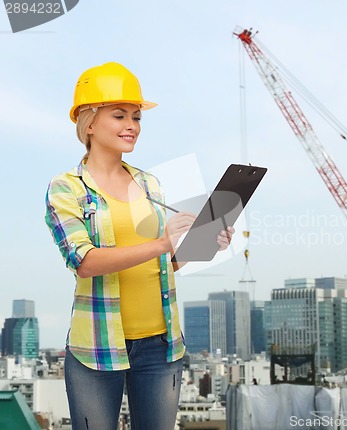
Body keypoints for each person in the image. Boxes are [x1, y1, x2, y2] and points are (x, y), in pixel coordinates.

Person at [45, 62, 234, 430]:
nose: (132, 125)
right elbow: (84, 261)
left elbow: (163, 264)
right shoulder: (67, 187)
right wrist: (162, 242)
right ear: (89, 121)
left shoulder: (150, 185)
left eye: (136, 116)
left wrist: (202, 243)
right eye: (119, 115)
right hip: (97, 350)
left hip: (161, 347)